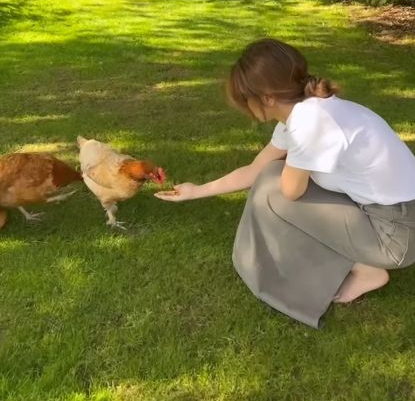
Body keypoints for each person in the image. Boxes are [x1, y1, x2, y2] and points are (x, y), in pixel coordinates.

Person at [155, 38, 415, 328]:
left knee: (272, 196)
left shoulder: (310, 121)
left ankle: (365, 269)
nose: (246, 108)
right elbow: (256, 170)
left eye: (246, 98)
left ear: (266, 97)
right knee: (269, 180)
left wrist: (279, 174)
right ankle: (355, 263)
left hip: (395, 236)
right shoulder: (307, 111)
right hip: (390, 215)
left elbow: (290, 191)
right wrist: (197, 191)